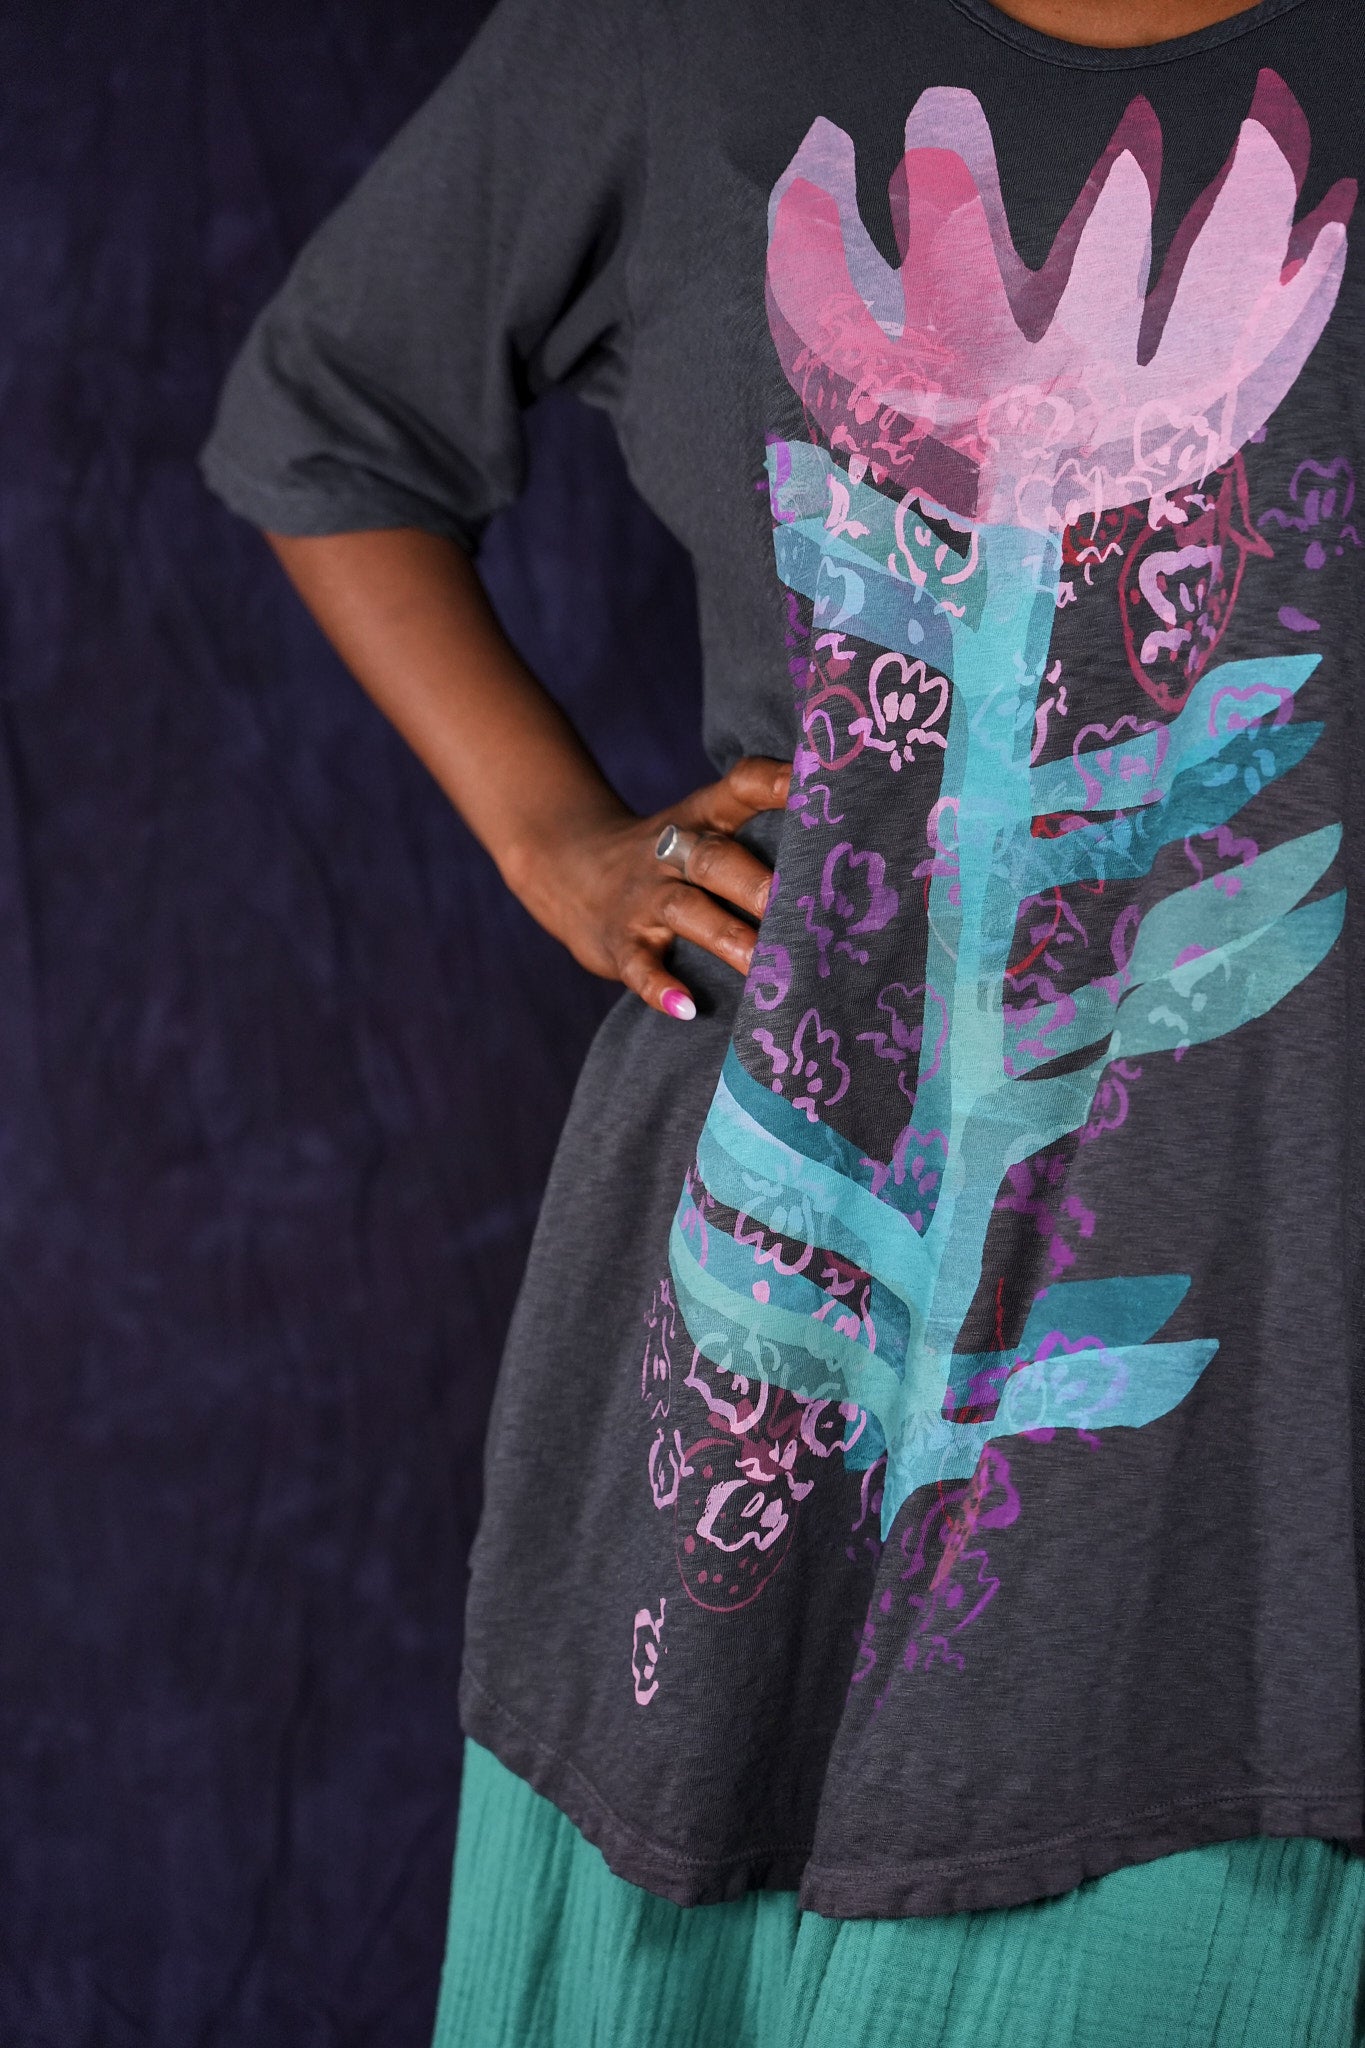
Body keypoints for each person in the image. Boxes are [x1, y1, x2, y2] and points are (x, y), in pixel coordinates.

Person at [200, 0, 1365, 2039]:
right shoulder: (672, 34)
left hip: (1280, 1368)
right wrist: (559, 838)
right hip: (793, 1321)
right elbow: (329, 416)